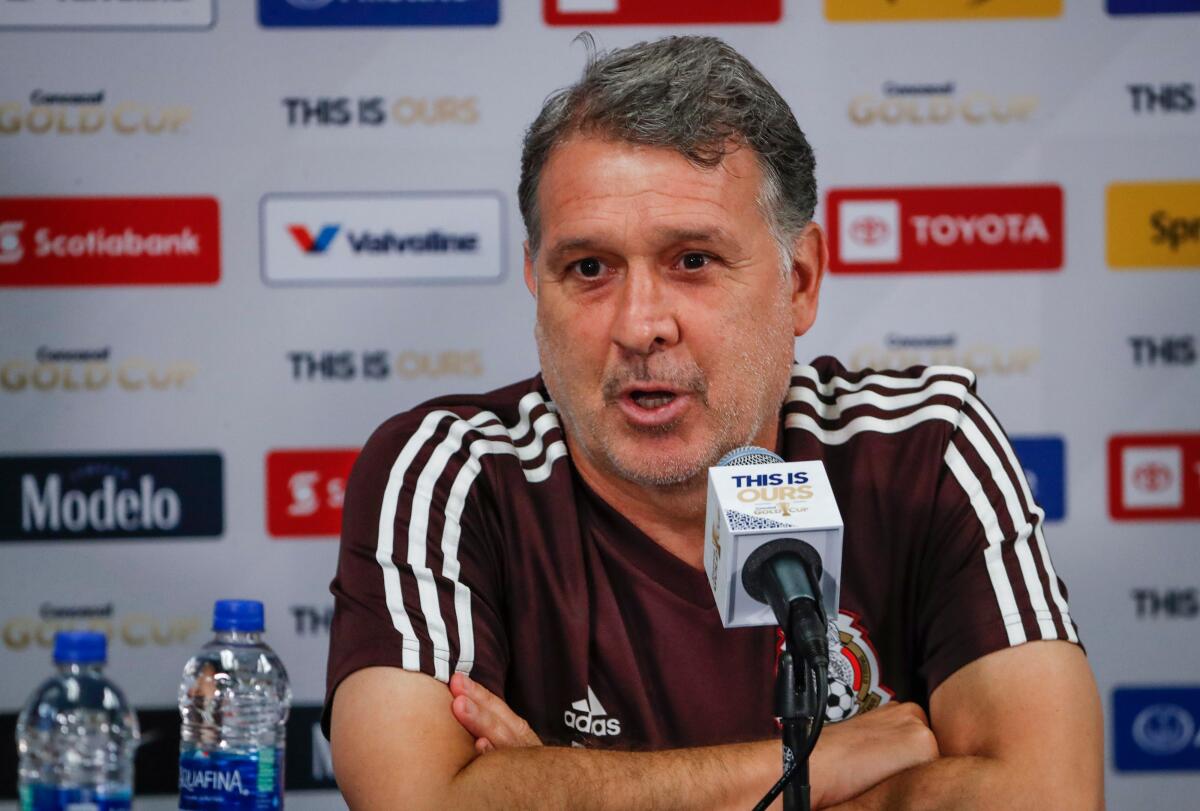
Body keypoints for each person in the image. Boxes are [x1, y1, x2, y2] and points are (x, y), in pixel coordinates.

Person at [324, 36, 1103, 809]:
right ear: (536, 281)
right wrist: (815, 767)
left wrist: (555, 788)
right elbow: (418, 796)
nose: (640, 325)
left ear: (799, 281)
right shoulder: (449, 471)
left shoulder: (926, 446)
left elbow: (1050, 794)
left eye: (692, 260)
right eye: (589, 268)